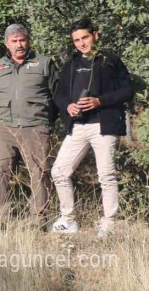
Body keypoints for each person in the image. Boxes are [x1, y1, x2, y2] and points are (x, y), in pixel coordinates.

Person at [50, 19, 133, 238]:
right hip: (77, 126)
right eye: (76, 40)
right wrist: (67, 105)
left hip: (104, 126)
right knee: (59, 172)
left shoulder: (110, 61)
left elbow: (127, 90)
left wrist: (100, 102)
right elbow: (58, 95)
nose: (81, 43)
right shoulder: (70, 65)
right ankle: (68, 220)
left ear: (95, 35)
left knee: (106, 175)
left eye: (84, 37)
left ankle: (109, 224)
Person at [0, 24, 58, 221]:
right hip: (4, 128)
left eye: (22, 40)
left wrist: (44, 120)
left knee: (39, 173)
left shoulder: (44, 63)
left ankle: (39, 219)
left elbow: (56, 95)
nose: (19, 45)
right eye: (14, 41)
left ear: (29, 40)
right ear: (6, 44)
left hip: (36, 126)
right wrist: (0, 119)